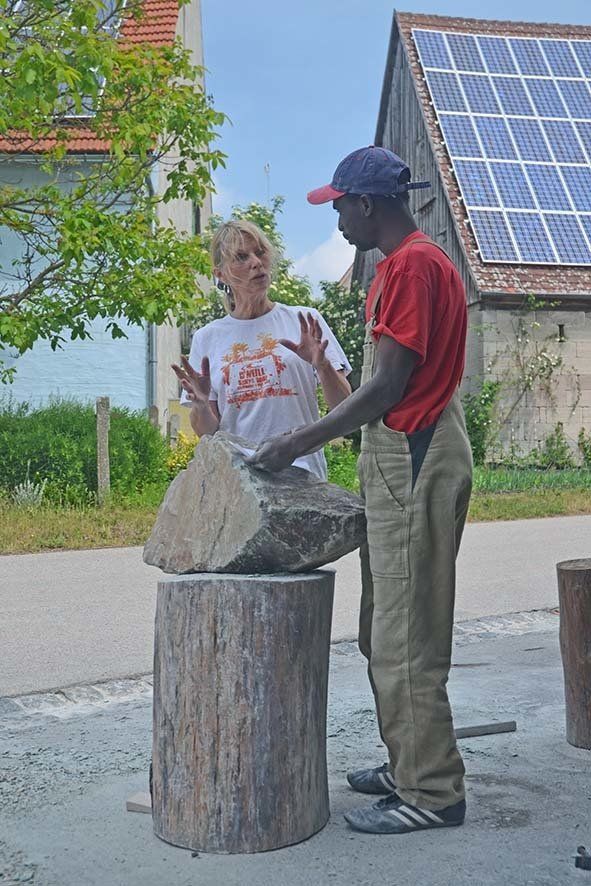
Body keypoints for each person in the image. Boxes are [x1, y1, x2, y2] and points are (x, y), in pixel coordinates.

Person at [247, 146, 473, 836]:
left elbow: (386, 386)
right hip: (408, 447)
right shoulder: (409, 263)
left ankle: (431, 791)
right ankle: (407, 759)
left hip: (414, 449)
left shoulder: (409, 267)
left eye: (340, 205)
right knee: (386, 623)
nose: (336, 218)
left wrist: (296, 442)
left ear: (367, 205)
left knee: (406, 633)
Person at [172, 219, 352, 480]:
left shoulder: (304, 321)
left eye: (260, 252)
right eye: (241, 257)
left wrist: (323, 366)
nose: (256, 263)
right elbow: (209, 434)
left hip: (304, 476)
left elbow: (345, 408)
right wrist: (200, 405)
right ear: (220, 275)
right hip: (241, 481)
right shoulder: (208, 338)